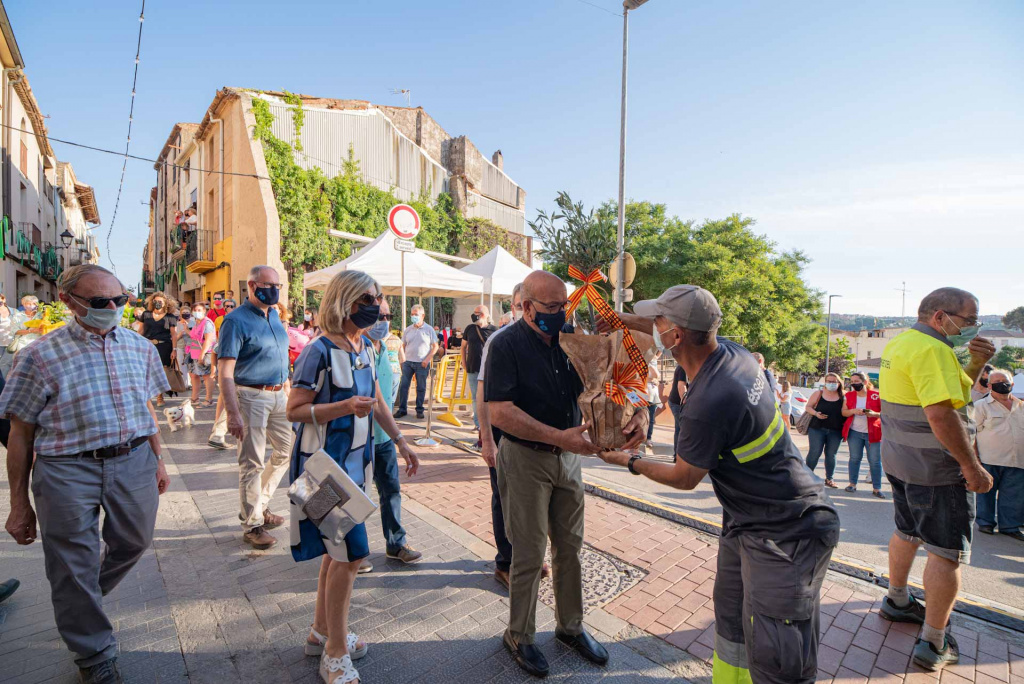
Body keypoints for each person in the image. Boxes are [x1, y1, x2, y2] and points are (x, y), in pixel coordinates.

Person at [596, 284, 840, 684]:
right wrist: (614, 317)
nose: (651, 326)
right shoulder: (729, 353)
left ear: (675, 334)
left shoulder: (713, 399)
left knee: (779, 653)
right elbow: (665, 329)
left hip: (788, 531)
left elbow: (684, 477)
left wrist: (628, 460)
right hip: (747, 522)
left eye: (658, 320)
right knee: (732, 623)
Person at [0, 264, 171, 684]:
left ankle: (79, 599)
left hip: (133, 460)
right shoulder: (36, 356)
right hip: (65, 469)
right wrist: (18, 504)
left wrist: (159, 459)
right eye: (100, 302)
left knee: (134, 540)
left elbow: (145, 409)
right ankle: (93, 654)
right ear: (68, 301)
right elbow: (20, 433)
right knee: (71, 565)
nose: (112, 307)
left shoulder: (141, 348)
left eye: (120, 299)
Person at [486, 270, 644, 678]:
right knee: (529, 552)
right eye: (552, 308)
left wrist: (634, 411)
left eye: (565, 306)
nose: (561, 314)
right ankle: (519, 635)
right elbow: (500, 412)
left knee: (571, 547)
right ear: (526, 307)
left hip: (568, 459)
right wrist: (560, 436)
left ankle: (570, 627)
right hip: (524, 458)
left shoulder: (572, 339)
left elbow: (610, 382)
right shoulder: (505, 345)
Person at [286, 270, 419, 684]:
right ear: (344, 301)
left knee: (336, 551)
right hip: (321, 470)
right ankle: (335, 652)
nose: (378, 306)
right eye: (368, 298)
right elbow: (293, 410)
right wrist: (343, 408)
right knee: (352, 555)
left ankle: (321, 632)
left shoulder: (363, 345)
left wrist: (400, 439)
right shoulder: (318, 350)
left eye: (378, 298)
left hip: (354, 468)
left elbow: (377, 397)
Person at [878, 287, 995, 672]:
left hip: (901, 462)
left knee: (907, 532)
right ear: (940, 317)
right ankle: (934, 641)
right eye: (968, 319)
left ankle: (896, 600)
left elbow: (954, 392)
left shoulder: (903, 344)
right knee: (946, 553)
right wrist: (971, 467)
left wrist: (975, 362)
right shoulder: (935, 350)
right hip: (937, 470)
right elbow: (942, 414)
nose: (973, 326)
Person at [476, 284, 550, 589]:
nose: (525, 311)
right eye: (520, 305)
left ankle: (530, 555)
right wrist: (487, 438)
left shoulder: (546, 340)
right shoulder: (499, 340)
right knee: (504, 497)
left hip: (534, 436)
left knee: (534, 500)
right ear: (515, 305)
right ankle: (505, 562)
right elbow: (482, 393)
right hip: (502, 432)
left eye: (529, 305)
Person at [218, 266, 293, 550]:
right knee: (252, 461)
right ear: (251, 285)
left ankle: (259, 505)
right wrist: (233, 412)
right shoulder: (235, 321)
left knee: (286, 450)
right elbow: (224, 371)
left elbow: (281, 357)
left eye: (278, 285)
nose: (274, 290)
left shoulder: (274, 314)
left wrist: (287, 389)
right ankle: (252, 524)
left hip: (277, 395)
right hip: (250, 397)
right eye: (268, 284)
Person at [365, 297, 422, 568]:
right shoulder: (357, 348)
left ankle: (396, 544)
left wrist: (397, 437)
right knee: (356, 495)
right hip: (360, 439)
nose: (384, 321)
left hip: (384, 436)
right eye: (379, 315)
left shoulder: (383, 348)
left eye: (388, 316)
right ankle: (351, 553)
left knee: (391, 491)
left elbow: (384, 400)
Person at [973, 369, 1024, 541]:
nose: (1002, 384)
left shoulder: (1021, 406)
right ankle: (985, 522)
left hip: (1017, 460)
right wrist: (975, 458)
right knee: (986, 492)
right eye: (997, 381)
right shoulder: (980, 406)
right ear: (989, 386)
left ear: (1012, 384)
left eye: (1005, 380)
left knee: (1013, 496)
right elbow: (972, 433)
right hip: (989, 459)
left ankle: (1010, 526)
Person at [842, 372, 884, 498]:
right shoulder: (849, 396)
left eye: (856, 381)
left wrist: (874, 414)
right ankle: (852, 484)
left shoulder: (876, 396)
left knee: (875, 461)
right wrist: (853, 411)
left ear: (865, 382)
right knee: (854, 458)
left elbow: (886, 413)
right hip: (855, 432)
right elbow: (844, 412)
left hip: (873, 433)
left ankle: (877, 488)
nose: (854, 384)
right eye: (852, 381)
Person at [394, 304, 437, 420]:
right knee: (403, 386)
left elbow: (435, 347)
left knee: (421, 387)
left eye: (416, 315)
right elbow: (402, 345)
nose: (414, 317)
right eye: (412, 314)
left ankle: (419, 410)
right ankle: (402, 409)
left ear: (422, 315)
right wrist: (402, 360)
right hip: (408, 362)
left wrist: (427, 360)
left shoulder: (429, 330)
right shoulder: (408, 330)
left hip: (422, 363)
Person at [804, 373, 845, 488]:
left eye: (834, 381)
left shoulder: (843, 396)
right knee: (814, 452)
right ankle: (807, 477)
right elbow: (808, 407)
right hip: (817, 428)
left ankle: (829, 479)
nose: (832, 384)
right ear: (825, 382)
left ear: (839, 383)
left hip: (836, 430)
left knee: (831, 455)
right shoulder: (818, 394)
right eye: (829, 381)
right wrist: (816, 413)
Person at [140, 292, 179, 407]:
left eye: (160, 302)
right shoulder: (146, 314)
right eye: (155, 301)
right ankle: (146, 395)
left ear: (166, 303)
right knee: (147, 371)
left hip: (164, 346)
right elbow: (141, 331)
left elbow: (174, 334)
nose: (157, 303)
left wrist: (174, 349)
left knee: (161, 371)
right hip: (148, 345)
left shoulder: (170, 317)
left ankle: (159, 396)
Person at [461, 305, 496, 431]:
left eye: (478, 313)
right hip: (473, 368)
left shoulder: (494, 330)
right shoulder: (470, 329)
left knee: (489, 397)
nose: (475, 315)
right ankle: (478, 424)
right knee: (476, 398)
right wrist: (464, 362)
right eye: (474, 312)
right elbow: (463, 347)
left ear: (485, 315)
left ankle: (490, 423)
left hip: (489, 370)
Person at [186, 302, 217, 407]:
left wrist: (202, 355)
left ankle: (209, 399)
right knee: (194, 375)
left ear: (204, 311)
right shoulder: (196, 322)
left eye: (199, 310)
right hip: (194, 353)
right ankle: (195, 398)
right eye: (195, 310)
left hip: (205, 353)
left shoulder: (207, 323)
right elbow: (193, 336)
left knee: (206, 376)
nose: (196, 312)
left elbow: (208, 340)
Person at [645, 351, 662, 450]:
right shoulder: (646, 363)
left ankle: (648, 438)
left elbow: (657, 378)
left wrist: (656, 380)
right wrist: (653, 379)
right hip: (644, 394)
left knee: (651, 418)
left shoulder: (653, 362)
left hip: (653, 395)